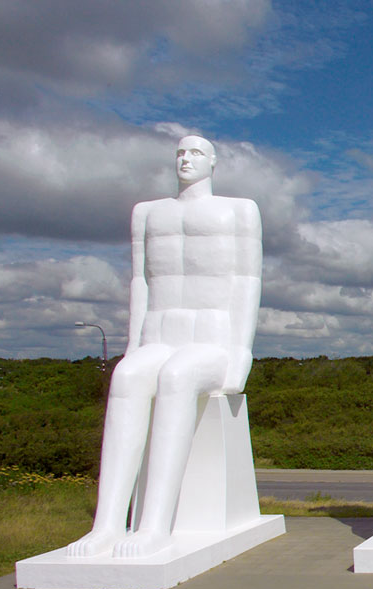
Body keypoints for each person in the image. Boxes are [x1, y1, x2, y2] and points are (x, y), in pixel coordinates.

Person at [66, 135, 261, 559]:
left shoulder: (238, 210)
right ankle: (107, 525)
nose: (185, 159)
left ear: (213, 162)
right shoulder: (148, 213)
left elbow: (248, 281)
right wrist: (133, 345)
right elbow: (141, 281)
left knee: (177, 377)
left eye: (195, 153)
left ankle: (155, 524)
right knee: (128, 376)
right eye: (180, 153)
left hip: (212, 336)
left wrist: (240, 353)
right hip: (159, 332)